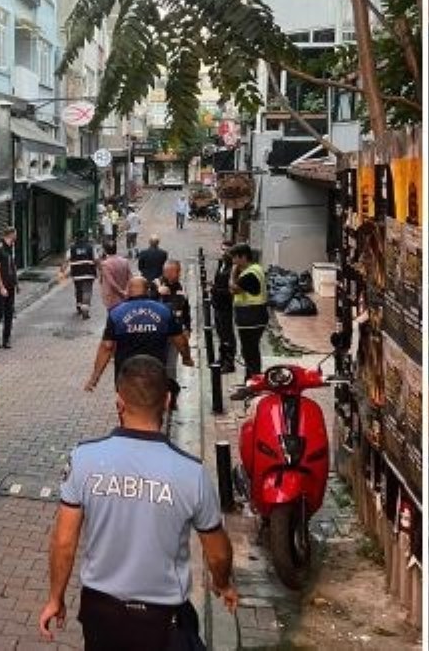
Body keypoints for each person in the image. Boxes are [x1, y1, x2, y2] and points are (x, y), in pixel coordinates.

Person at [39, 355, 237, 650]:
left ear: (119, 402)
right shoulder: (191, 474)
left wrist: (55, 597)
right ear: (168, 401)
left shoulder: (84, 459)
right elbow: (218, 554)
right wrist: (222, 584)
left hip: (101, 612)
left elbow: (64, 542)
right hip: (163, 620)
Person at [86, 277, 191, 391]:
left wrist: (95, 377)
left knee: (128, 404)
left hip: (126, 373)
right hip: (155, 371)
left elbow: (107, 346)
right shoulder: (164, 311)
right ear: (147, 290)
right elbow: (179, 339)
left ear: (128, 290)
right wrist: (186, 358)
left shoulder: (116, 313)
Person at [230, 244, 268, 379]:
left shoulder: (249, 274)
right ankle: (252, 380)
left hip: (251, 318)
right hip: (255, 317)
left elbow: (233, 289)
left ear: (243, 257)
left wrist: (233, 272)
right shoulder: (257, 268)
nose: (233, 261)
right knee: (251, 351)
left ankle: (253, 382)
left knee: (249, 352)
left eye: (235, 258)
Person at [0, 226, 19, 349]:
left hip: (10, 285)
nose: (16, 236)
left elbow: (12, 266)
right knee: (0, 312)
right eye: (15, 233)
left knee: (9, 312)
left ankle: (6, 339)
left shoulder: (10, 247)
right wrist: (1, 287)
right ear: (11, 234)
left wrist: (16, 283)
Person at [211, 242, 237, 369]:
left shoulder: (233, 268)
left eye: (227, 250)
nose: (224, 252)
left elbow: (231, 290)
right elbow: (218, 282)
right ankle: (221, 357)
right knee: (220, 333)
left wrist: (214, 290)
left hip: (226, 305)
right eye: (223, 249)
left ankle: (229, 361)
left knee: (227, 334)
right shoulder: (221, 263)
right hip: (217, 304)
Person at [62, 233, 98, 319]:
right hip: (89, 273)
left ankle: (79, 306)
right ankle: (85, 310)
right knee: (87, 291)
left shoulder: (71, 249)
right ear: (85, 238)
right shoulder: (91, 247)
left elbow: (66, 261)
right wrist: (100, 269)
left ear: (76, 238)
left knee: (78, 290)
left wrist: (62, 271)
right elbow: (96, 260)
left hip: (77, 274)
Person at [154, 260, 193, 330]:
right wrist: (157, 292)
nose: (179, 274)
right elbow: (144, 302)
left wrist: (188, 328)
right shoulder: (155, 285)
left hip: (176, 329)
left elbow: (185, 311)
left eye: (179, 271)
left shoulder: (180, 287)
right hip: (159, 329)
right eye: (177, 271)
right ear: (168, 273)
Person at [97, 239, 133, 312]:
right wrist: (126, 290)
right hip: (125, 294)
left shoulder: (105, 264)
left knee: (113, 317)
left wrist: (120, 291)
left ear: (105, 251)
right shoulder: (124, 261)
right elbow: (130, 277)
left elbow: (111, 281)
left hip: (112, 296)